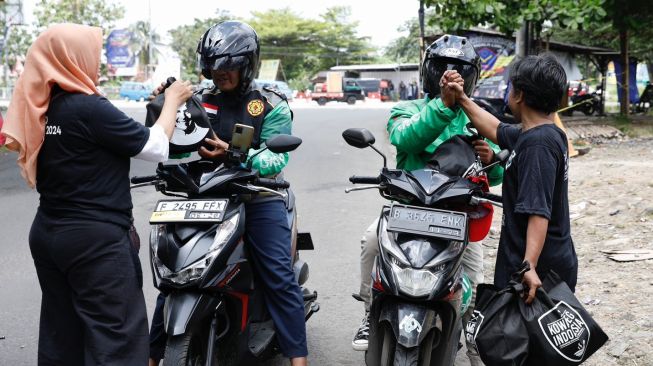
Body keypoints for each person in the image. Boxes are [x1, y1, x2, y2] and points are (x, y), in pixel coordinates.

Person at [0, 23, 193, 365]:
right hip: (95, 244)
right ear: (73, 58)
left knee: (64, 338)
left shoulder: (45, 108)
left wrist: (156, 105)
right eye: (95, 54)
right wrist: (173, 101)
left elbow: (101, 141)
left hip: (49, 234)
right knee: (115, 341)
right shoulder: (88, 107)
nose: (99, 62)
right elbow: (156, 146)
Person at [148, 21, 308, 366]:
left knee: (279, 277)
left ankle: (298, 360)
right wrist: (162, 106)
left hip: (258, 196)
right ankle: (150, 358)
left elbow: (276, 155)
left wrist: (237, 155)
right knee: (176, 276)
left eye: (227, 67)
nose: (218, 74)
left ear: (247, 65)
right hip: (205, 198)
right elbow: (171, 147)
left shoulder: (269, 104)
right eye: (212, 66)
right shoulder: (200, 101)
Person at [352, 35, 503, 366]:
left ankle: (470, 335)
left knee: (473, 282)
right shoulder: (407, 109)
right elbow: (406, 137)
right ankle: (369, 311)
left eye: (459, 72)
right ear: (429, 74)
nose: (449, 78)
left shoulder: (478, 116)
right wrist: (444, 107)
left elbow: (495, 177)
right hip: (410, 209)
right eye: (442, 71)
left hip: (459, 215)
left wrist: (491, 156)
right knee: (370, 243)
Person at [442, 53, 578, 303]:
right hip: (540, 260)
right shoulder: (539, 133)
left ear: (519, 95)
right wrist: (461, 98)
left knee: (521, 340)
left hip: (539, 271)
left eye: (511, 87)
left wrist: (529, 267)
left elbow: (538, 211)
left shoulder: (538, 145)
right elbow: (494, 127)